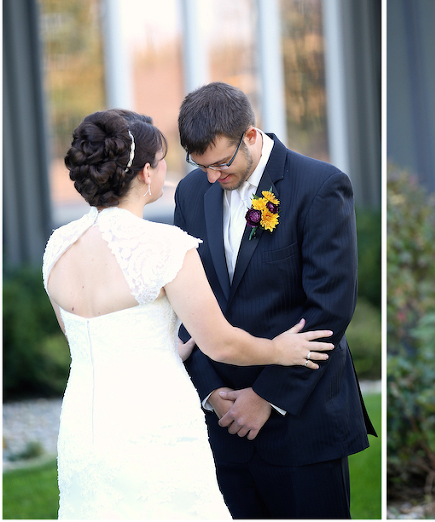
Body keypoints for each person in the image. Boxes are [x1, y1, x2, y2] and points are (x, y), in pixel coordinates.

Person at [43, 109, 335, 519]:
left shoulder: (57, 246)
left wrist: (166, 350)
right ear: (146, 173)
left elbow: (87, 341)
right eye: (163, 161)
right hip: (154, 426)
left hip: (84, 432)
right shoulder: (164, 246)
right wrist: (279, 350)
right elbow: (221, 343)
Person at [173, 82, 375, 519]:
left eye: (221, 164)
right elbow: (185, 303)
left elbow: (330, 308)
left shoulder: (319, 186)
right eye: (200, 165)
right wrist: (211, 392)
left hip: (302, 424)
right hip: (222, 426)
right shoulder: (189, 193)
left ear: (250, 135)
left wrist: (265, 396)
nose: (212, 177)